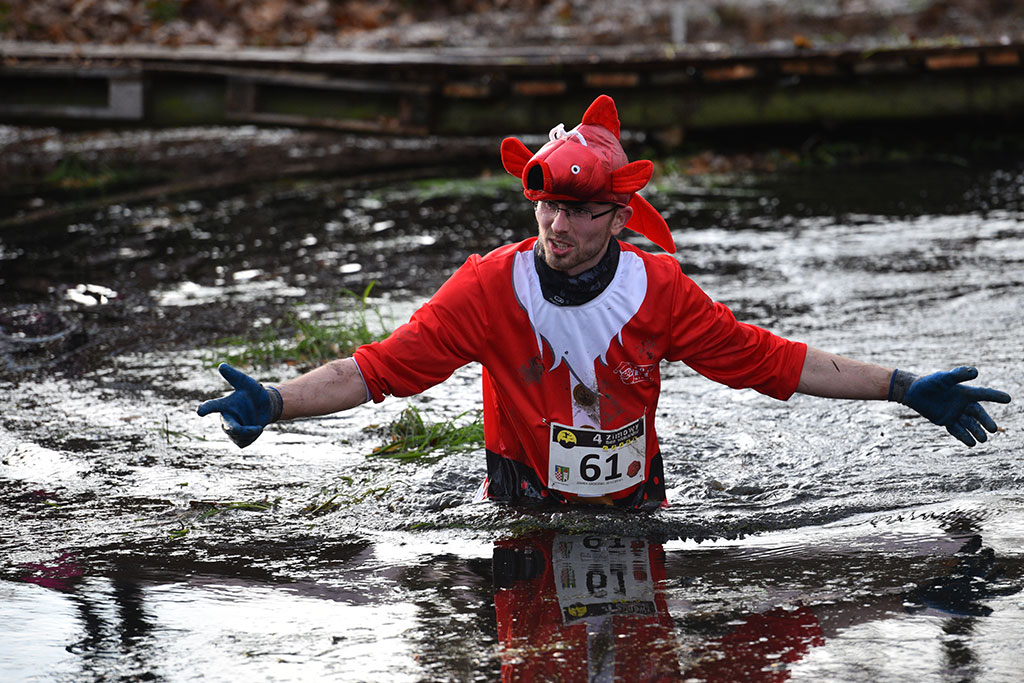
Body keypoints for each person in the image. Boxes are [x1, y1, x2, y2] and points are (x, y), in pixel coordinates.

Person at [197, 94, 1011, 511]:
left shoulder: (660, 291)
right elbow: (376, 371)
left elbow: (774, 362)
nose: (559, 225)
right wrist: (276, 399)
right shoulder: (488, 288)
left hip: (638, 509)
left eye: (583, 210)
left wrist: (905, 387)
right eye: (548, 207)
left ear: (620, 215)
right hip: (521, 516)